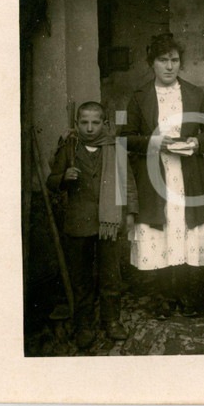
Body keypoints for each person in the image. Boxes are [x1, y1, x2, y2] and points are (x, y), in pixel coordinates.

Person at [120, 33, 204, 319]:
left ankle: (187, 296)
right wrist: (154, 141)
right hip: (155, 177)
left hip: (188, 174)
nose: (169, 66)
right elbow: (125, 138)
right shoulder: (138, 97)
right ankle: (164, 299)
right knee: (160, 233)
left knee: (187, 232)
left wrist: (198, 143)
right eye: (163, 60)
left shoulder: (194, 93)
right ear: (152, 63)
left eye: (174, 60)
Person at [47, 101, 138, 349]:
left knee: (111, 275)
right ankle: (84, 325)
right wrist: (64, 177)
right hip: (79, 221)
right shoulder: (70, 147)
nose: (89, 128)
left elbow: (128, 183)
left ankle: (111, 321)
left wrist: (129, 215)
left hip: (109, 222)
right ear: (77, 124)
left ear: (104, 124)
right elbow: (51, 180)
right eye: (84, 122)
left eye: (95, 122)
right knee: (82, 277)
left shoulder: (115, 148)